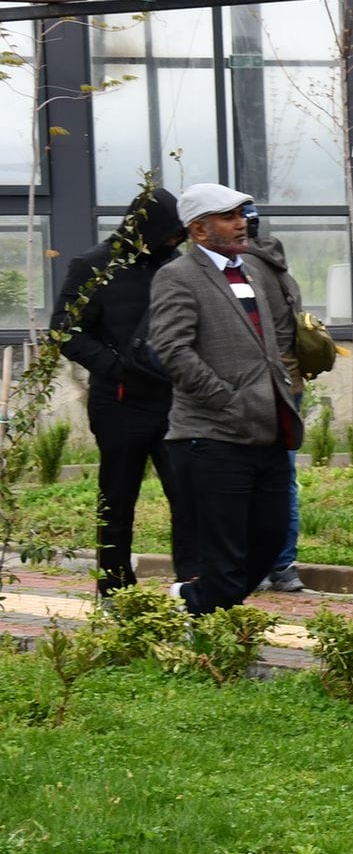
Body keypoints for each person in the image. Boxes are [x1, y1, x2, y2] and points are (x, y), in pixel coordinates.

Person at [148, 183, 302, 615]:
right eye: (229, 217)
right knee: (226, 553)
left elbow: (270, 340)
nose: (242, 223)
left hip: (266, 429)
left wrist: (280, 393)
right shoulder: (177, 276)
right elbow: (173, 350)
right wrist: (225, 399)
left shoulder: (250, 271)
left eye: (241, 214)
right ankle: (204, 623)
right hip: (212, 434)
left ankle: (194, 603)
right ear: (199, 230)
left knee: (270, 537)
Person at [54, 185, 197, 596]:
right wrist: (116, 368)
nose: (175, 241)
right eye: (170, 233)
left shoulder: (178, 266)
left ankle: (192, 585)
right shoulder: (94, 266)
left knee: (188, 496)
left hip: (175, 403)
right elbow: (65, 330)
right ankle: (113, 588)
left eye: (179, 235)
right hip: (119, 403)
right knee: (117, 499)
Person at [240, 214, 311, 594]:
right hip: (291, 381)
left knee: (251, 476)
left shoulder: (245, 271)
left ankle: (266, 565)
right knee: (284, 476)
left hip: (262, 384)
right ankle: (285, 565)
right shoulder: (280, 267)